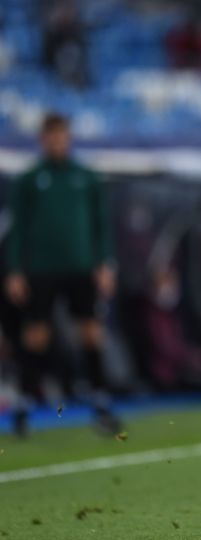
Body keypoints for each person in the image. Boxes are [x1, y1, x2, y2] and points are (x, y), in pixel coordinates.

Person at [4, 113, 119, 436]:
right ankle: (25, 403)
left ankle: (100, 401)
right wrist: (14, 270)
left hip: (82, 268)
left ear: (68, 138)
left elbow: (101, 225)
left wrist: (105, 263)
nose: (56, 141)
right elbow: (18, 230)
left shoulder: (86, 177)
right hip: (41, 269)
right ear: (43, 139)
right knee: (36, 335)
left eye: (61, 135)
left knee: (91, 331)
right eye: (50, 136)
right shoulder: (30, 179)